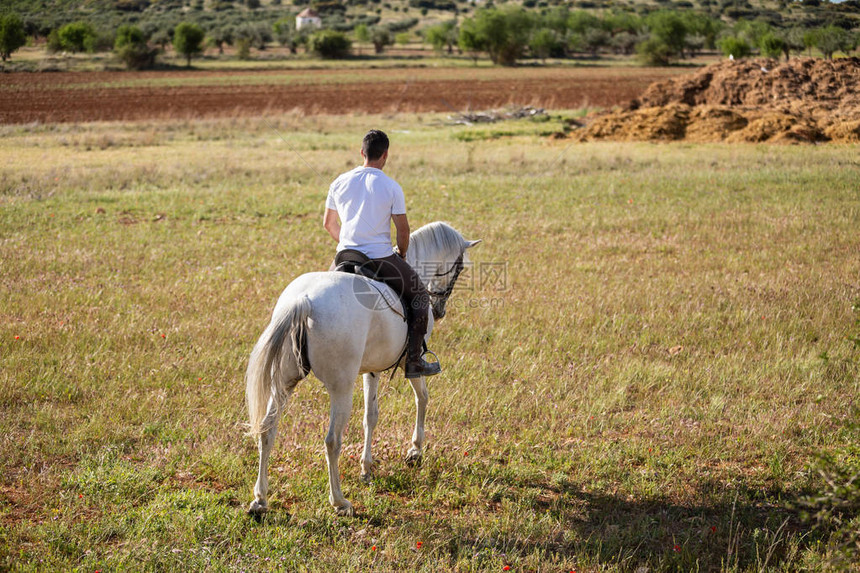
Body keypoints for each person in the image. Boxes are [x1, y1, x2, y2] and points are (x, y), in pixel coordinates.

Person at [323, 129, 441, 379]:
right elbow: (403, 230)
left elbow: (329, 225)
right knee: (419, 295)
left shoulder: (339, 181)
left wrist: (347, 241)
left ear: (361, 152)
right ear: (385, 155)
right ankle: (414, 361)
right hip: (378, 257)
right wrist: (402, 253)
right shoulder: (390, 186)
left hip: (343, 255)